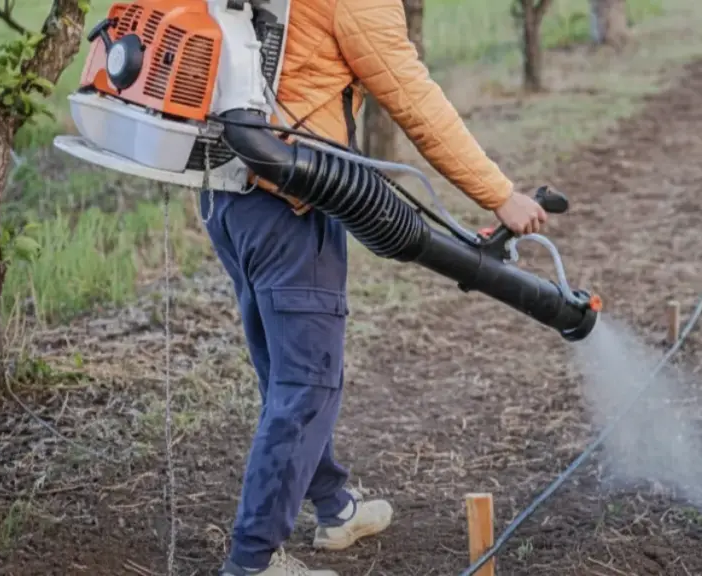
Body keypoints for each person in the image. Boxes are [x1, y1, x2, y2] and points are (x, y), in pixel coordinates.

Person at [205, 0, 548, 574]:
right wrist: (499, 194)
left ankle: (335, 508)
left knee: (285, 371)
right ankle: (254, 560)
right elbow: (413, 100)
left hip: (227, 191)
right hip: (290, 202)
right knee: (308, 383)